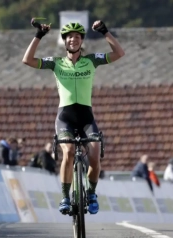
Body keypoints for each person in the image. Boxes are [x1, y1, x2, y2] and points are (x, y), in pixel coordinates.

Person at [22, 20, 125, 215]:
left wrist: (105, 32)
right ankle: (65, 197)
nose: (73, 40)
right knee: (68, 152)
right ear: (65, 41)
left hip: (86, 118)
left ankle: (92, 193)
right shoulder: (57, 63)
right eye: (69, 37)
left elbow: (119, 53)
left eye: (77, 37)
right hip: (65, 118)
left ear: (81, 41)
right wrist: (39, 35)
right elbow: (28, 60)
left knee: (95, 157)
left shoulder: (92, 60)